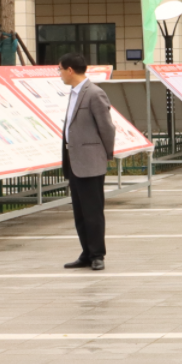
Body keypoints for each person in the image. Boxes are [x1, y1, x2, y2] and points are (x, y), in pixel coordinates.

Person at [60, 52, 116, 271]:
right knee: (80, 212)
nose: (59, 74)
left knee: (93, 212)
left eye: (60, 69)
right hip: (74, 160)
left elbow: (107, 127)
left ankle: (97, 254)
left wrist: (105, 154)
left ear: (70, 70)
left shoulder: (94, 93)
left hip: (91, 162)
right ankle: (86, 252)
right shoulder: (74, 93)